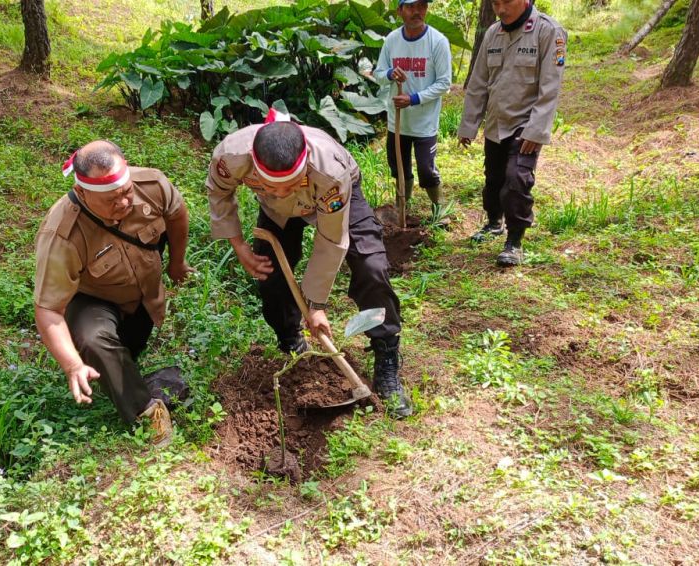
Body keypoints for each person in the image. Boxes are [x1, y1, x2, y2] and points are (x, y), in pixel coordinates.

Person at [206, 111, 412, 418]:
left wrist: (315, 305)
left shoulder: (330, 172)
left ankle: (386, 354)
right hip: (277, 213)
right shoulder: (231, 156)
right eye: (270, 185)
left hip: (335, 196)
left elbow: (330, 239)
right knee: (271, 275)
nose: (280, 190)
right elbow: (219, 193)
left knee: (371, 265)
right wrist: (239, 246)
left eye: (289, 184)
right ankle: (291, 342)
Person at [33, 140, 193, 446]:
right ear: (82, 193)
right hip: (93, 298)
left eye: (126, 192)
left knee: (126, 354)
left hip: (143, 296)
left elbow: (177, 214)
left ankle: (120, 365)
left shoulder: (151, 183)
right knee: (96, 341)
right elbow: (48, 310)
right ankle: (147, 415)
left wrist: (176, 263)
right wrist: (73, 365)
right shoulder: (62, 235)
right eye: (111, 199)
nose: (123, 203)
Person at [457, 0, 566, 266]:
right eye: (496, 3)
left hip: (526, 122)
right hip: (497, 121)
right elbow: (478, 83)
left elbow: (550, 88)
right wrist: (469, 125)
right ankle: (494, 222)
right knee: (493, 178)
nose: (501, 9)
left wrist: (536, 130)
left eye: (507, 2)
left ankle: (514, 241)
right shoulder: (493, 33)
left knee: (516, 179)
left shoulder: (548, 31)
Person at [373, 0, 452, 225]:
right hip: (397, 122)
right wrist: (389, 73)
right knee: (399, 168)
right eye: (410, 7)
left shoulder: (437, 41)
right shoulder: (392, 40)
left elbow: (444, 83)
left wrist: (413, 99)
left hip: (424, 121)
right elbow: (378, 74)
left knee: (427, 170)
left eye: (421, 6)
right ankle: (401, 210)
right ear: (400, 11)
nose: (417, 12)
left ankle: (438, 209)